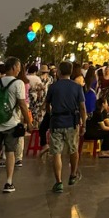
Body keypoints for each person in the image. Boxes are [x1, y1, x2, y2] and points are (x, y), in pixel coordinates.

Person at [0, 57, 33, 193]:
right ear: (13, 67)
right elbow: (23, 105)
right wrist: (28, 122)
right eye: (18, 67)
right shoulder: (18, 83)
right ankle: (8, 182)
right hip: (11, 124)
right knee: (10, 152)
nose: (19, 70)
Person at [44, 61, 87, 193]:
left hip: (56, 121)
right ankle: (73, 174)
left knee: (56, 152)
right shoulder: (77, 87)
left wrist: (50, 114)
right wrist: (83, 123)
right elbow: (82, 108)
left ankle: (58, 182)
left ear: (59, 72)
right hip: (72, 122)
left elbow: (47, 105)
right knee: (73, 150)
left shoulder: (53, 87)